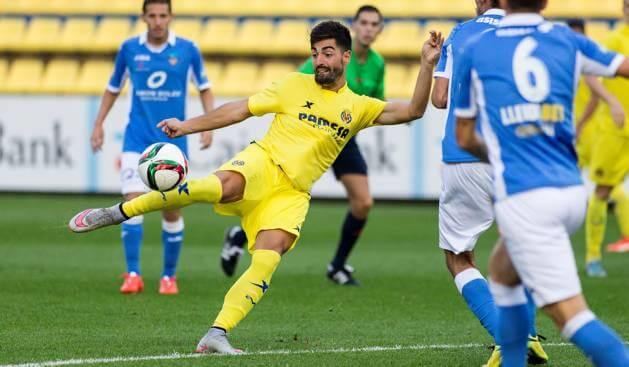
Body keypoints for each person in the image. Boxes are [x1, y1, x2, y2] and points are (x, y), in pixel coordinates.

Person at [69, 21, 443, 354]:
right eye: (315, 54)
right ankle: (119, 212)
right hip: (262, 163)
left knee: (267, 259)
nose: (320, 61)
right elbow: (240, 110)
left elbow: (413, 111)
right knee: (218, 187)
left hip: (293, 193)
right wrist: (188, 125)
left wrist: (427, 65)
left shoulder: (358, 107)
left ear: (346, 57)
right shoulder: (294, 85)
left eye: (328, 53)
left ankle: (216, 333)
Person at [455, 0, 629, 365]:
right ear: (546, 2)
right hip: (569, 190)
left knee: (571, 316)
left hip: (526, 198)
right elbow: (623, 68)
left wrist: (504, 152)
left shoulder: (476, 47)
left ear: (503, 2)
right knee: (503, 274)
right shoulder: (567, 38)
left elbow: (465, 137)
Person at [219, 5, 386, 286]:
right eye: (364, 23)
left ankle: (337, 265)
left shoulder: (378, 64)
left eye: (374, 24)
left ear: (380, 30)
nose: (369, 28)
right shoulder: (328, 56)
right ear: (355, 27)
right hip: (308, 137)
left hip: (342, 139)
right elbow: (299, 90)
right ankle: (241, 233)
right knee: (283, 194)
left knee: (363, 202)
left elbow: (378, 104)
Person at [431, 1, 547, 365]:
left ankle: (506, 336)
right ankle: (526, 331)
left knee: (458, 256)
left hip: (464, 156)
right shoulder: (531, 33)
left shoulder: (461, 33)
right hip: (516, 156)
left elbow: (439, 98)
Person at [89, 0, 214, 295]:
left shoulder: (188, 49)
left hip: (174, 142)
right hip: (137, 141)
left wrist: (207, 125)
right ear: (144, 17)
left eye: (163, 15)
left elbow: (205, 88)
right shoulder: (129, 49)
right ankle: (133, 273)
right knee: (132, 203)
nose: (158, 21)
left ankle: (169, 277)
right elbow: (113, 88)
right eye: (152, 15)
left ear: (170, 16)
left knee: (171, 209)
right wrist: (98, 124)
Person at [581, 1, 629, 277]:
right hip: (614, 130)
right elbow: (590, 74)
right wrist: (612, 101)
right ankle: (593, 257)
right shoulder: (613, 39)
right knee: (602, 190)